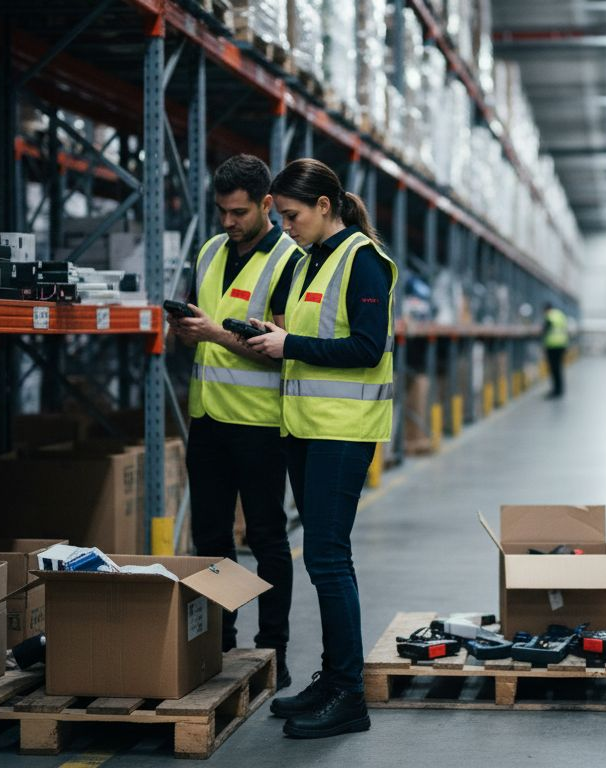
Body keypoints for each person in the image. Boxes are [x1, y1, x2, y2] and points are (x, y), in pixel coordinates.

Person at [244, 158, 396, 740]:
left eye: (292, 215)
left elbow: (367, 346)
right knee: (322, 557)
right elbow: (312, 338)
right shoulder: (313, 259)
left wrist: (291, 345)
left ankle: (349, 694)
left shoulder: (362, 260)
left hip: (343, 430)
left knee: (329, 559)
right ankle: (333, 679)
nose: (285, 227)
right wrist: (274, 338)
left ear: (324, 206)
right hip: (307, 429)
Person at [168, 154, 300, 690]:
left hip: (260, 424)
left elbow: (281, 350)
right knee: (211, 539)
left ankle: (273, 652)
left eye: (239, 212)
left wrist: (214, 334)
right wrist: (187, 332)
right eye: (222, 211)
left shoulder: (289, 259)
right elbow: (203, 330)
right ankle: (218, 645)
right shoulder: (208, 251)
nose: (228, 221)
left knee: (267, 537)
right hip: (208, 419)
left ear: (267, 204)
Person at [542, 303, 570, 398]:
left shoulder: (549, 316)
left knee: (554, 369)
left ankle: (555, 390)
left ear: (546, 309)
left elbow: (545, 330)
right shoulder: (560, 315)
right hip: (562, 345)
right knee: (559, 368)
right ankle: (560, 389)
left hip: (552, 346)